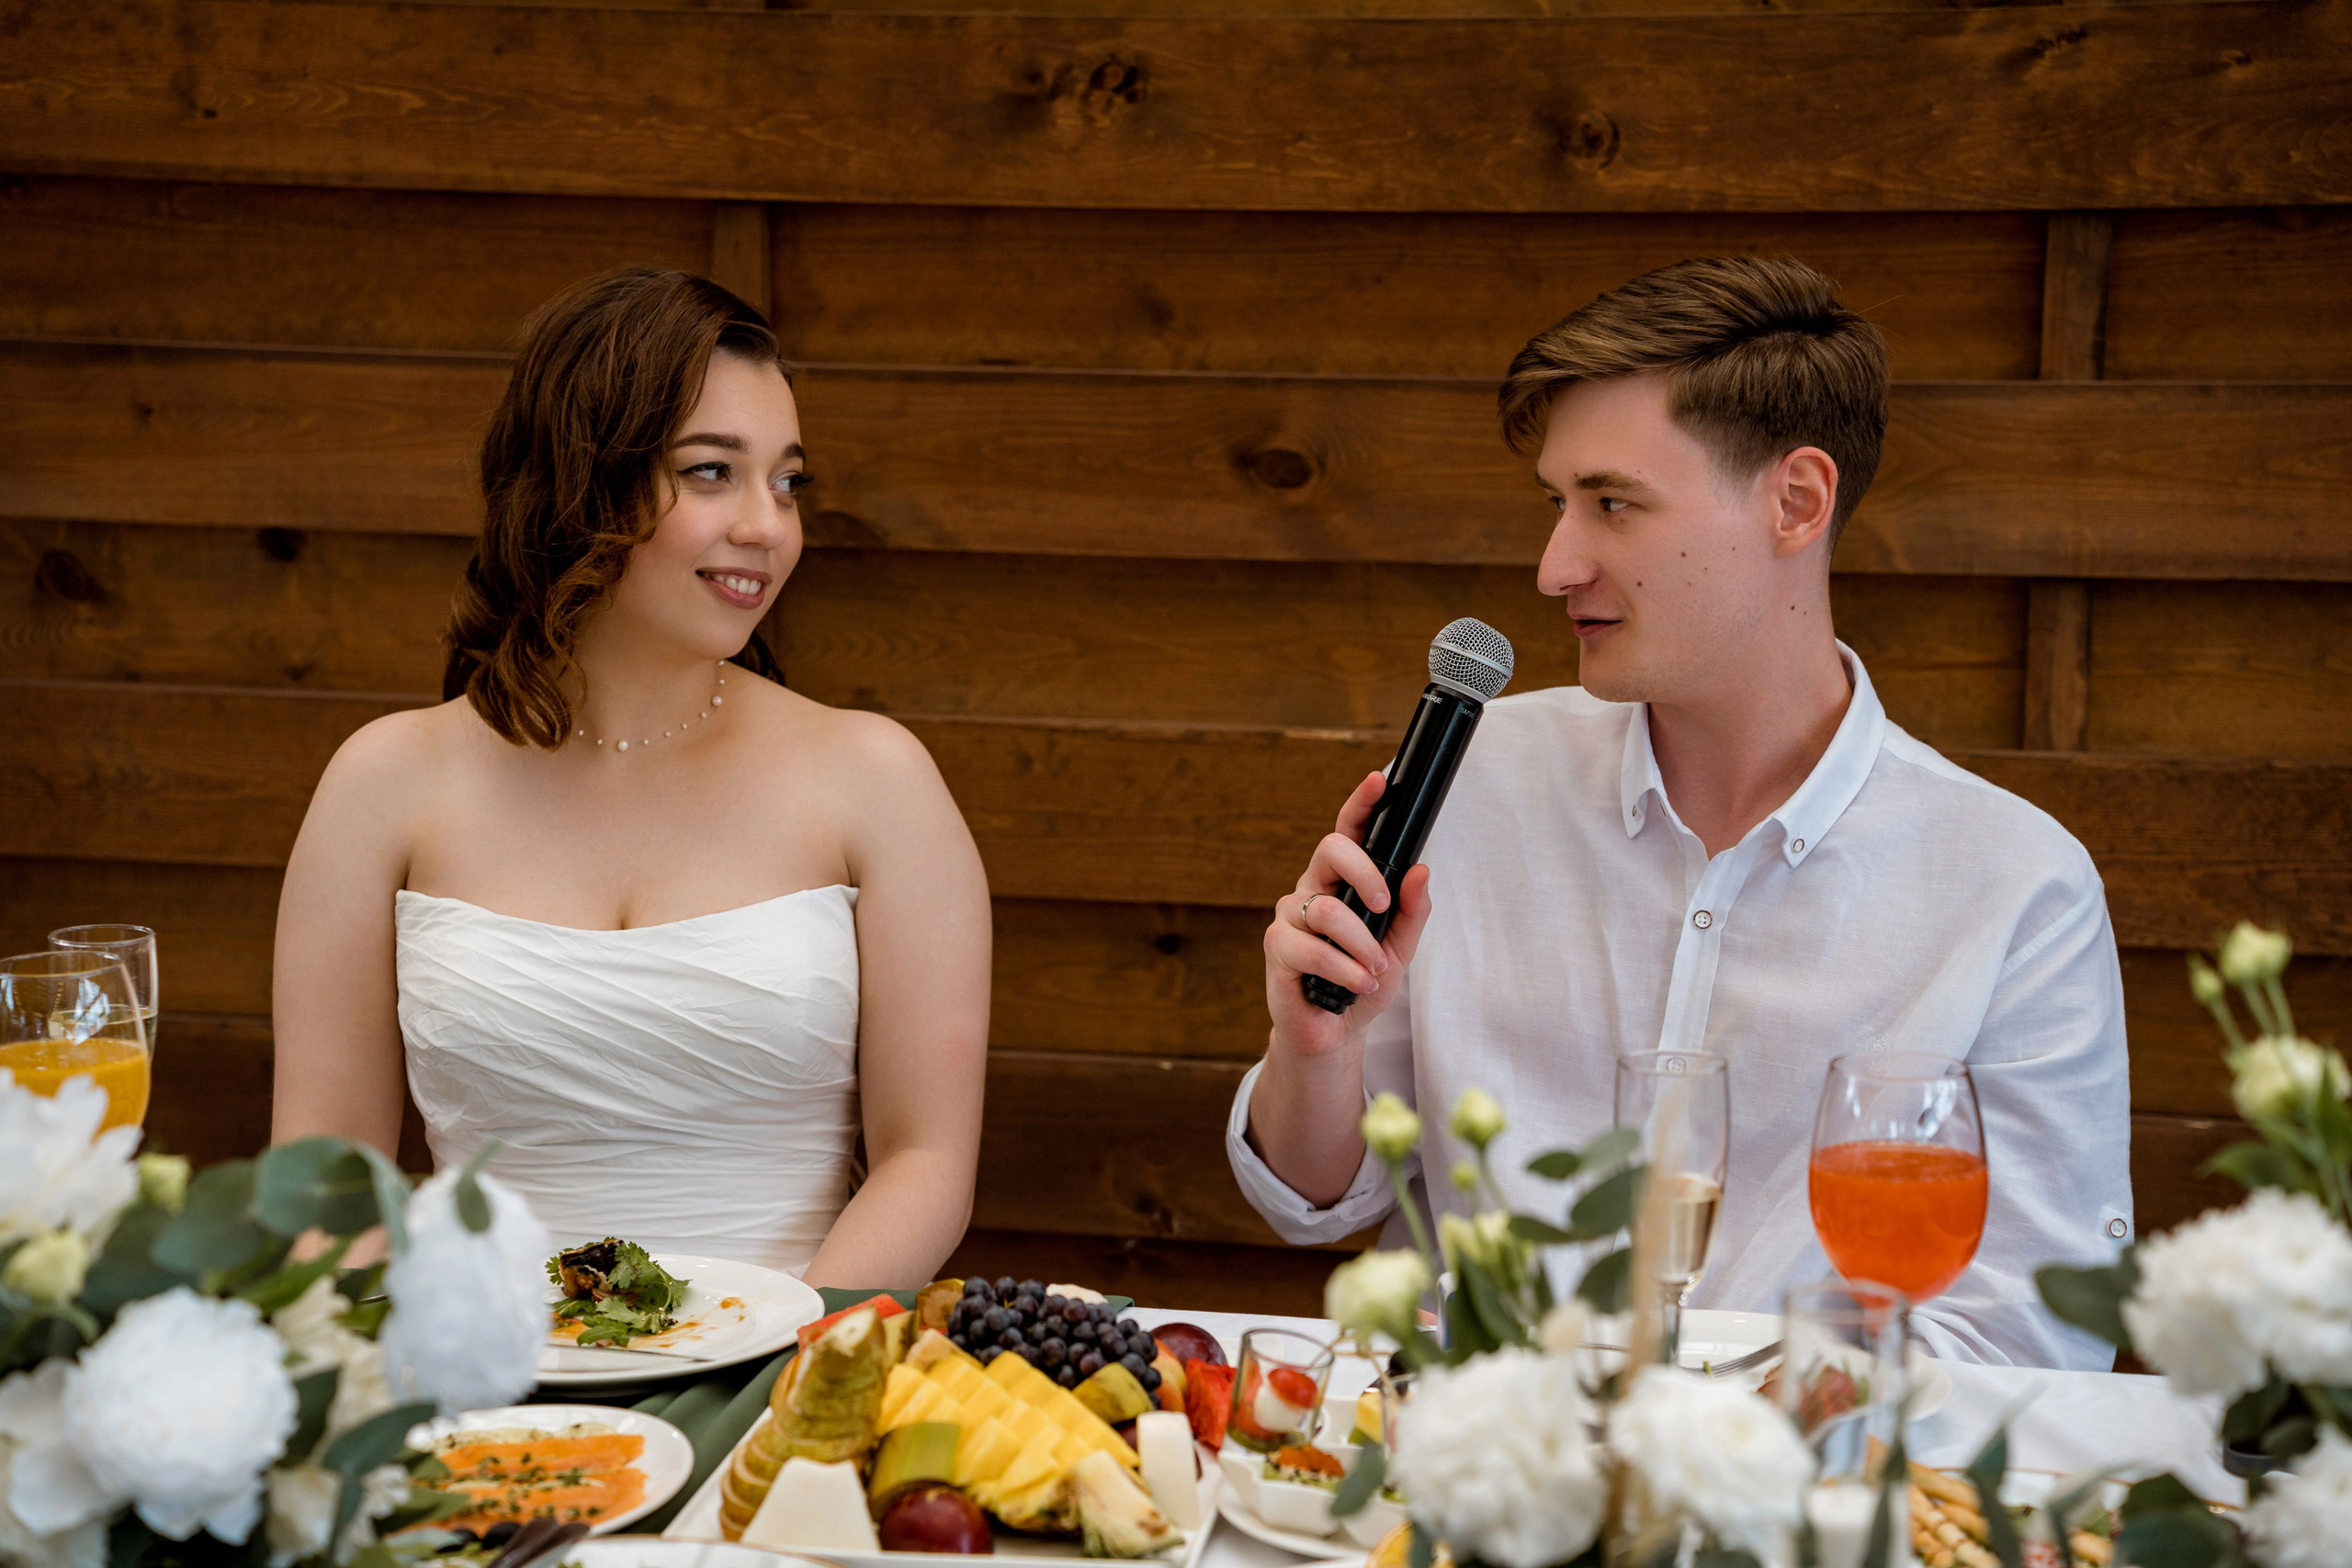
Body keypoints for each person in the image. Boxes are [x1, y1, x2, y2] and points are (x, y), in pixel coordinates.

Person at [1228, 256, 2131, 1368]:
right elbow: (1313, 1200)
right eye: (1557, 504)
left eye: (1612, 504)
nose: (1556, 565)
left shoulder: (2013, 887)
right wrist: (1315, 1045)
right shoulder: (1476, 777)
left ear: (1794, 502)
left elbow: (2035, 1332)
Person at [272, 267, 989, 1287]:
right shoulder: (383, 785)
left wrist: (783, 1374)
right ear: (582, 479)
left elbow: (926, 1162)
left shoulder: (875, 782)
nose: (767, 525)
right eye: (711, 473)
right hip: (488, 1401)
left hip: (779, 1393)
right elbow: (325, 1181)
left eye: (786, 480)